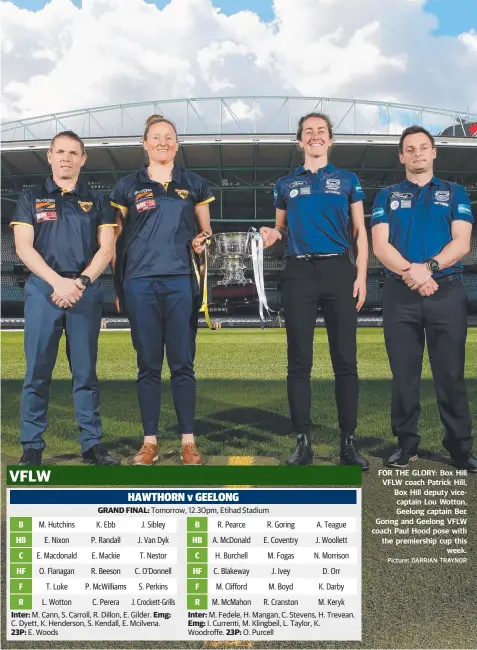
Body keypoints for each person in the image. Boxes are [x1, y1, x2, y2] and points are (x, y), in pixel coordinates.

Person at [260, 112, 369, 469]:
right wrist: (272, 235)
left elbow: (359, 232)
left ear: (330, 140)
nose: (315, 136)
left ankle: (347, 443)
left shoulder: (348, 179)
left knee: (345, 362)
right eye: (309, 132)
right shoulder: (285, 185)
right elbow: (281, 230)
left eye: (321, 131)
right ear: (300, 142)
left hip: (339, 268)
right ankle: (303, 441)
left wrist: (361, 275)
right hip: (299, 271)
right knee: (299, 362)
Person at [372, 125, 476, 472]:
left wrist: (428, 268)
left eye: (423, 147)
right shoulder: (386, 195)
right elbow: (380, 246)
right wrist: (413, 274)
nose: (417, 153)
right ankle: (406, 444)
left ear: (434, 153)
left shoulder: (455, 191)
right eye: (410, 149)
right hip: (400, 295)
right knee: (404, 375)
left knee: (450, 374)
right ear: (401, 156)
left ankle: (461, 449)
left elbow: (462, 243)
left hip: (445, 293)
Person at [110, 114, 214, 466]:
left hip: (181, 283)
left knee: (183, 365)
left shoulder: (194, 184)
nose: (163, 143)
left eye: (169, 137)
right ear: (145, 143)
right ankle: (150, 442)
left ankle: (188, 442)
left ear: (177, 144)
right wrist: (118, 285)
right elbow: (117, 242)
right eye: (156, 137)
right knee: (148, 365)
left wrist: (202, 244)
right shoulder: (127, 186)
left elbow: (207, 234)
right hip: (139, 283)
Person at [11, 130, 119, 466]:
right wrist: (58, 282)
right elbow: (23, 247)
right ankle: (32, 446)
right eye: (60, 152)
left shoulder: (98, 201)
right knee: (37, 373)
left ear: (83, 159)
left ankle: (91, 445)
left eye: (73, 153)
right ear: (50, 155)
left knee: (85, 374)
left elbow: (107, 248)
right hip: (44, 290)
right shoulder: (31, 197)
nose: (66, 158)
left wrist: (81, 281)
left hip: (84, 291)